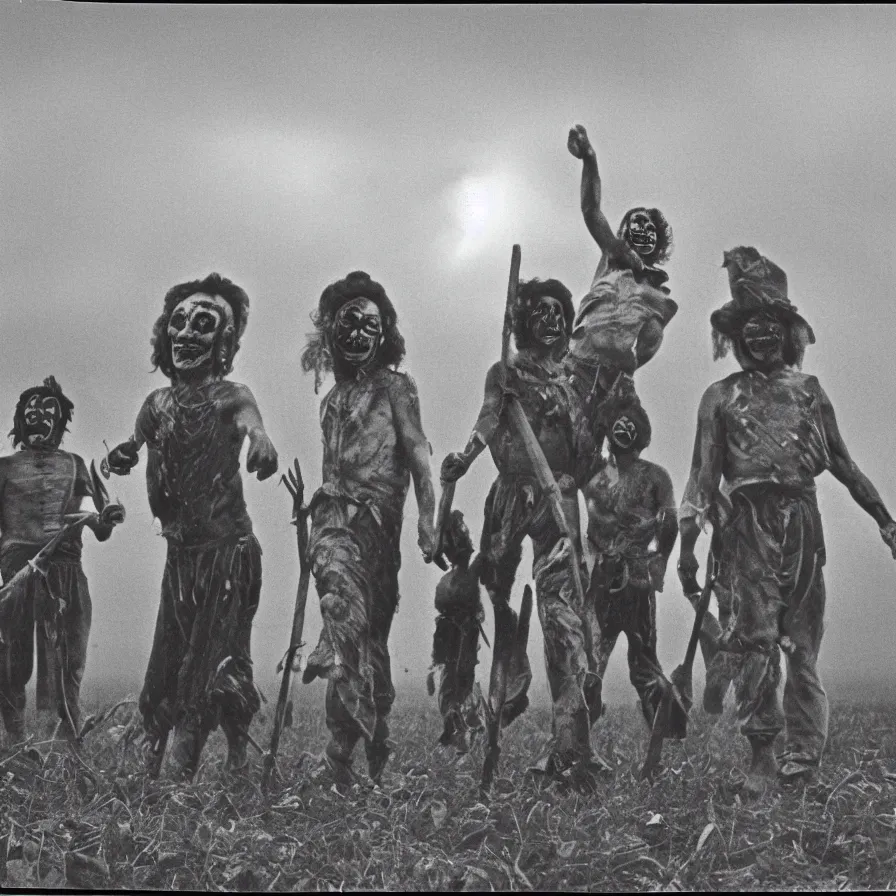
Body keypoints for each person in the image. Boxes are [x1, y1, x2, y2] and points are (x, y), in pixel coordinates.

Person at [678, 246, 896, 795]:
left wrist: (885, 520)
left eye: (772, 325)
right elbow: (703, 478)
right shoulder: (720, 397)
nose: (762, 335)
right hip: (745, 527)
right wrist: (685, 543)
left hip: (800, 523)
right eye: (751, 326)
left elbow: (843, 463)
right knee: (753, 641)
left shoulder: (809, 394)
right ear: (737, 336)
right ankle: (761, 753)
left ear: (788, 334)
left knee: (801, 644)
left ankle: (804, 755)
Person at [105, 273, 278, 779]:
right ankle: (151, 765)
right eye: (179, 322)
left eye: (204, 324)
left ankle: (194, 771)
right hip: (180, 557)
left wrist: (261, 442)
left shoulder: (232, 396)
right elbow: (134, 445)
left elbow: (252, 423)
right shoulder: (156, 404)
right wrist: (123, 455)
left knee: (209, 663)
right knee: (166, 662)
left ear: (224, 342)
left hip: (228, 552)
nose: (187, 334)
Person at [441, 276, 601, 784]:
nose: (551, 319)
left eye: (559, 311)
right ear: (524, 319)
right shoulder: (506, 373)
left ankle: (569, 748)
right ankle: (495, 695)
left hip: (559, 504)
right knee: (496, 597)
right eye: (541, 310)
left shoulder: (575, 382)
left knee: (562, 620)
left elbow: (587, 450)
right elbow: (489, 419)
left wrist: (575, 483)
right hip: (512, 497)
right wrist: (464, 458)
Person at [300, 270, 436, 786]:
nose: (357, 332)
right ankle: (340, 752)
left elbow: (419, 452)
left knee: (369, 641)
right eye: (347, 322)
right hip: (334, 522)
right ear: (331, 333)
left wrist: (428, 518)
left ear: (385, 336)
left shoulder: (395, 388)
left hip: (381, 529)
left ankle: (362, 749)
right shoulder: (331, 401)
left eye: (369, 325)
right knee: (340, 608)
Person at [0, 377, 124, 744]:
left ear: (60, 422)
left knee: (69, 661)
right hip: (17, 573)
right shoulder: (4, 468)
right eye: (31, 411)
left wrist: (108, 517)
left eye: (47, 411)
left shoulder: (75, 466)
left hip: (67, 572)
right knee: (11, 659)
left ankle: (69, 739)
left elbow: (98, 526)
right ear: (20, 420)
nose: (38, 417)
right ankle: (16, 740)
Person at [565, 123, 677, 447]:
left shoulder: (657, 296)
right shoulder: (614, 255)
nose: (641, 229)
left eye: (648, 227)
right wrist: (589, 159)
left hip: (611, 383)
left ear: (657, 245)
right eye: (635, 224)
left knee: (594, 453)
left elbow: (644, 348)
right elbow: (591, 211)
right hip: (575, 365)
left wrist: (621, 374)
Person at [584, 382, 678, 727]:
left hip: (632, 579)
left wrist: (661, 559)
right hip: (606, 581)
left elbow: (668, 521)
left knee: (637, 659)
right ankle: (581, 724)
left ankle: (661, 718)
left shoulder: (651, 477)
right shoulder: (595, 477)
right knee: (595, 658)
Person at [426, 509, 486, 754]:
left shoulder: (448, 582)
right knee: (459, 687)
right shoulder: (464, 580)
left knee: (453, 687)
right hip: (460, 640)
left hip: (453, 639)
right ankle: (459, 728)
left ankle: (460, 728)